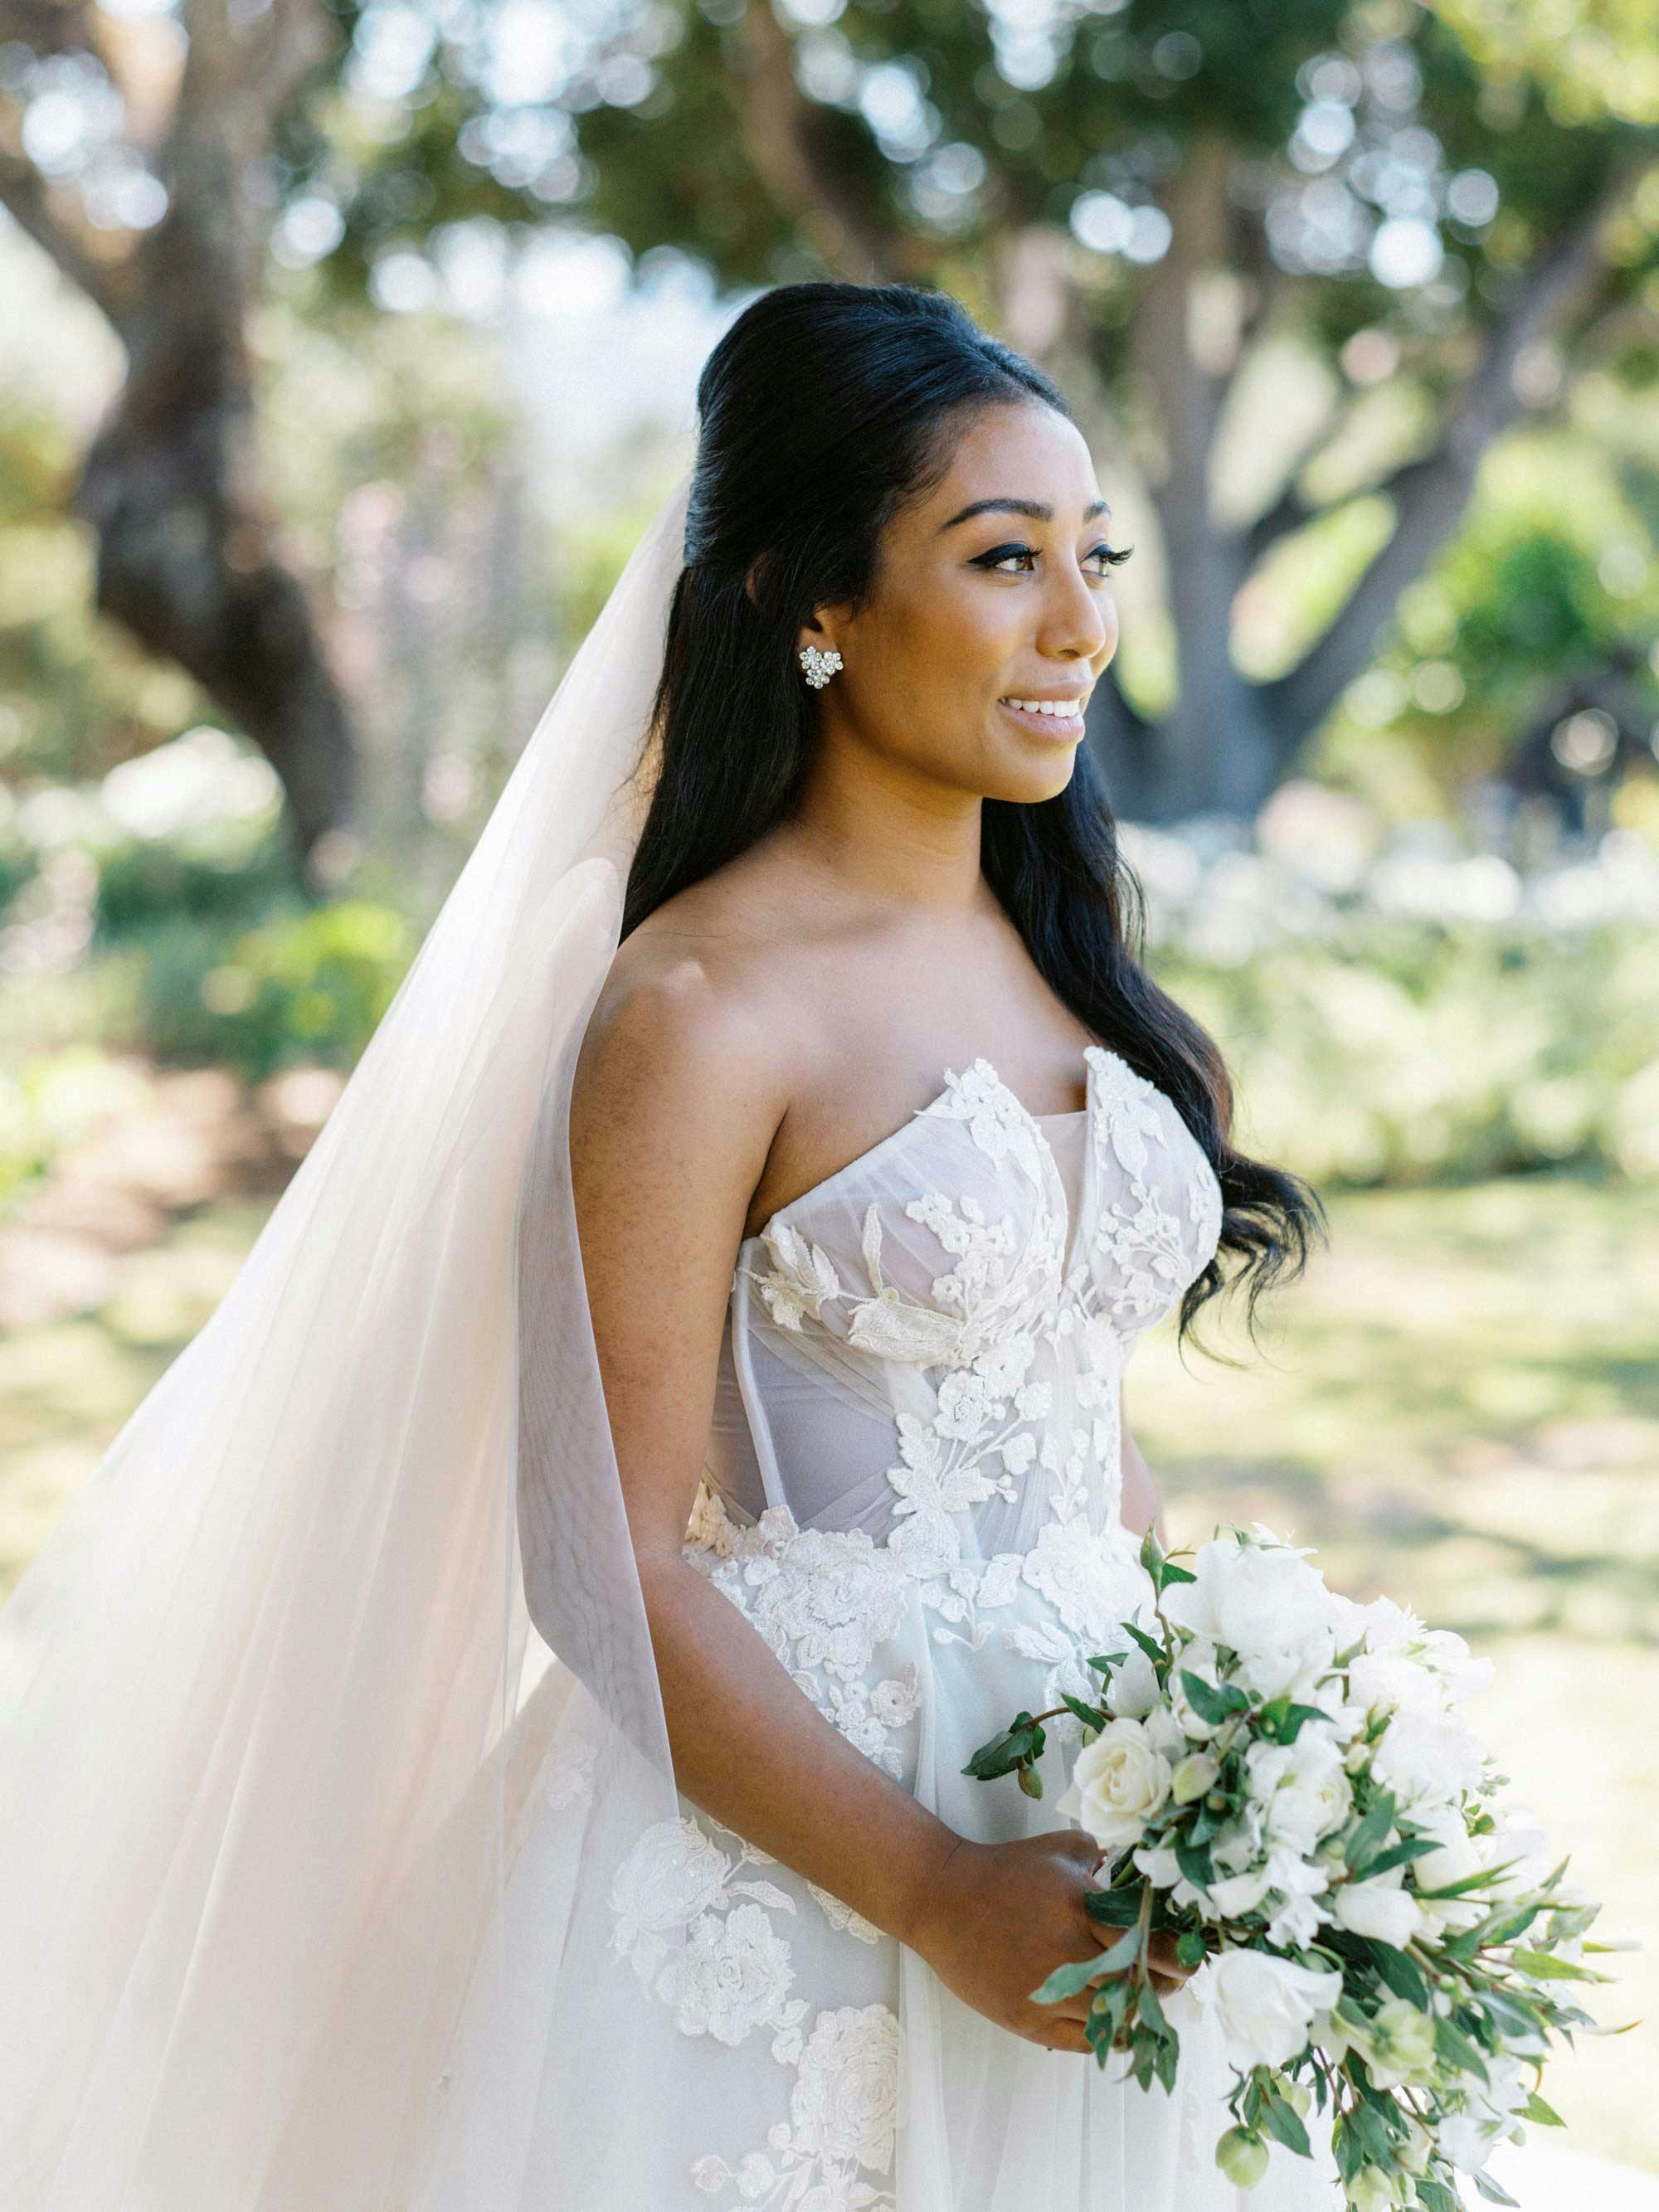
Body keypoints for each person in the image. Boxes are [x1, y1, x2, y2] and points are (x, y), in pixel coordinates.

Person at [0, 282, 1340, 2210]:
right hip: (799, 1854)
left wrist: (1251, 1742)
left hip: (1092, 1820)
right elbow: (599, 1553)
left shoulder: (1077, 983)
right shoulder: (698, 1009)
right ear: (811, 599)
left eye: (1089, 557)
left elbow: (1069, 1429)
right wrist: (929, 1889)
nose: (1077, 626)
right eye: (999, 558)